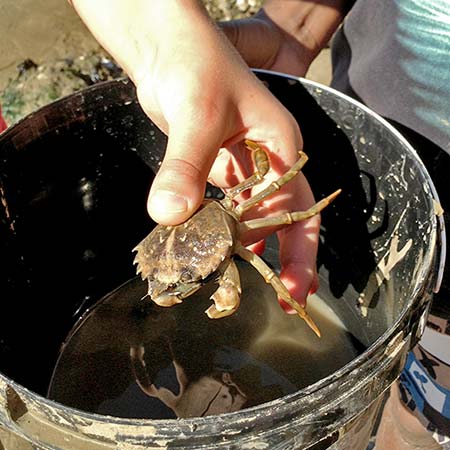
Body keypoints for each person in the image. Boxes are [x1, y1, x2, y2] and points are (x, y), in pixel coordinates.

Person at [72, 0, 450, 448]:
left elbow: (291, 208)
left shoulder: (242, 219)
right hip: (385, 80)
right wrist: (294, 29)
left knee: (428, 406)